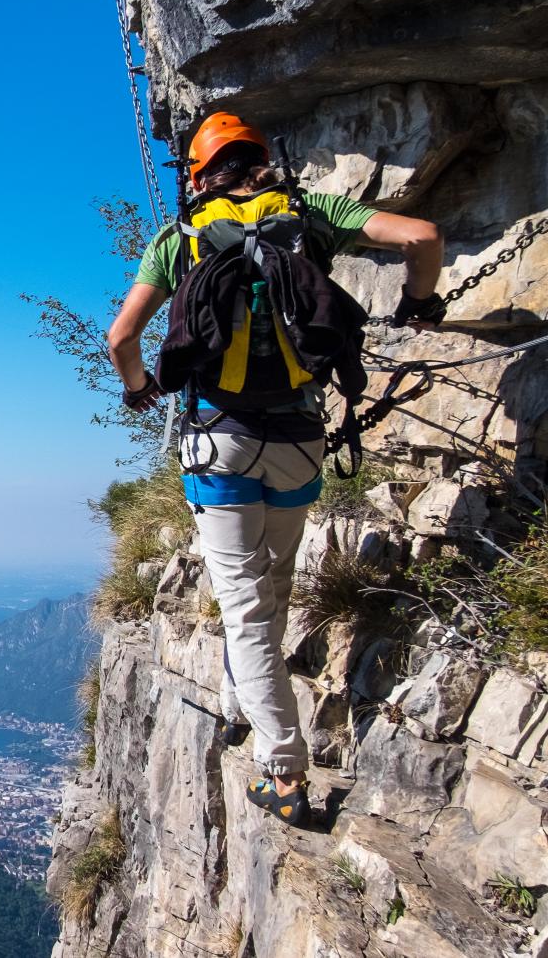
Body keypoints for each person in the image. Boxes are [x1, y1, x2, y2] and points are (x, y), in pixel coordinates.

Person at [105, 111, 447, 827]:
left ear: (197, 176)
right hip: (299, 437)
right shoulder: (309, 213)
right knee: (274, 583)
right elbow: (421, 237)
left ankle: (282, 767)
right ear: (262, 159)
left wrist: (139, 389)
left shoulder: (179, 239)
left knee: (244, 601)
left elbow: (122, 336)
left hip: (218, 441)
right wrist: (420, 301)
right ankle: (245, 698)